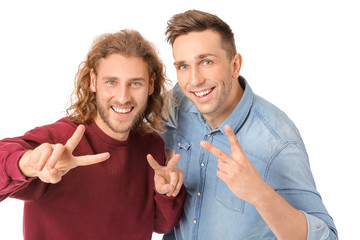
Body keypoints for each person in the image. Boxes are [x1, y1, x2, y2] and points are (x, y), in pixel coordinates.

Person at [161, 10, 337, 240]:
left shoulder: (277, 142)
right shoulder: (181, 99)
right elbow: (148, 122)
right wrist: (165, 158)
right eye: (183, 66)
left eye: (206, 62)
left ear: (235, 65)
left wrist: (259, 194)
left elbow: (327, 237)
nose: (194, 80)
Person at [0, 29, 186, 240]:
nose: (123, 97)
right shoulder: (60, 141)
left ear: (151, 85)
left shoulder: (152, 146)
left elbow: (159, 225)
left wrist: (166, 194)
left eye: (135, 83)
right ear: (92, 81)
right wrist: (26, 164)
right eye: (111, 82)